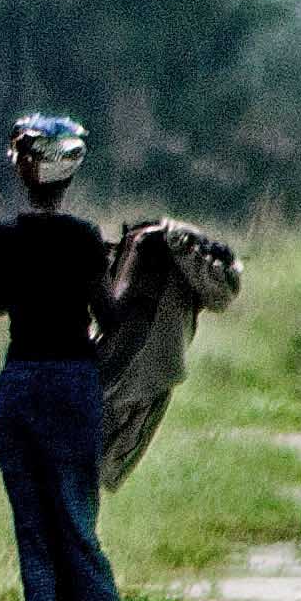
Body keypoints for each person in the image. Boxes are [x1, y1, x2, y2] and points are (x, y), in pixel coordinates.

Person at [0, 113, 132, 601]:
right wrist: (126, 267)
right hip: (73, 384)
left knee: (32, 524)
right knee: (75, 514)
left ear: (23, 169)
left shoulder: (1, 238)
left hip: (20, 384)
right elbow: (110, 315)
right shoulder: (84, 238)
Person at [94, 207, 240, 489]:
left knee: (98, 470)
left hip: (149, 373)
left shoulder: (181, 253)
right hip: (116, 371)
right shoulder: (128, 250)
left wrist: (178, 244)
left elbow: (223, 293)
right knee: (85, 469)